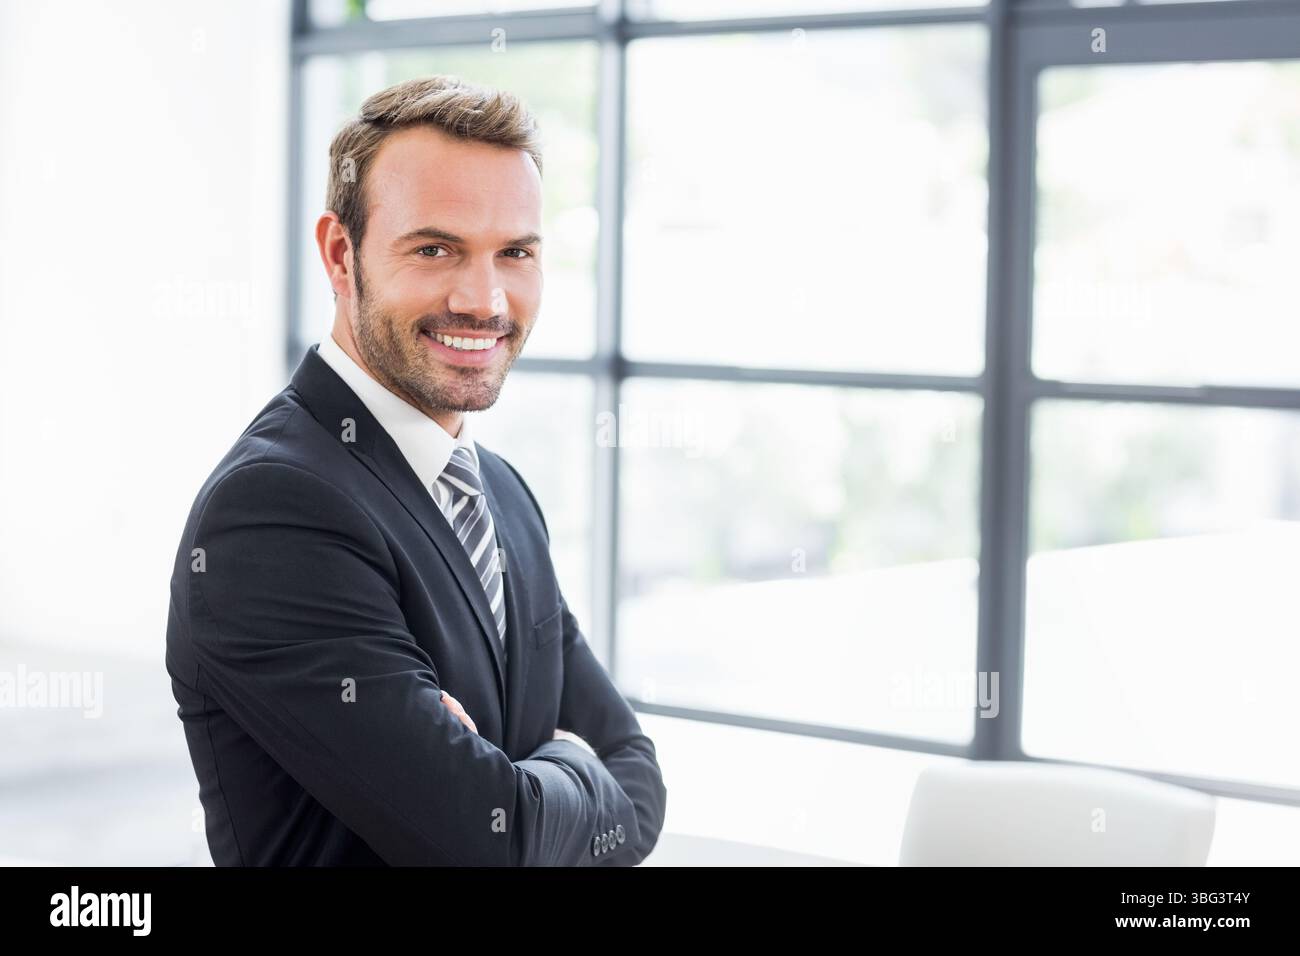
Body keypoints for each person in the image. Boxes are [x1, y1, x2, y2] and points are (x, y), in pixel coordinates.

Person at [165, 75, 667, 866]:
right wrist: (571, 767)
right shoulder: (271, 512)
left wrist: (525, 787)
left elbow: (641, 785)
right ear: (340, 253)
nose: (484, 298)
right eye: (435, 249)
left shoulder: (500, 491)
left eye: (516, 252)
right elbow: (483, 842)